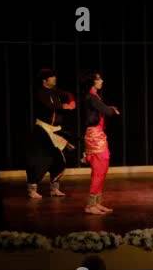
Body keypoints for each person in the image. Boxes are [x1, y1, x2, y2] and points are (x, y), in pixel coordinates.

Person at [25, 68, 76, 199]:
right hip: (42, 130)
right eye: (52, 77)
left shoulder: (55, 92)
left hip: (54, 130)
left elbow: (68, 94)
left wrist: (71, 101)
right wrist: (64, 106)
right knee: (41, 160)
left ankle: (54, 188)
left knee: (60, 160)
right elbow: (48, 106)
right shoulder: (41, 93)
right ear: (45, 80)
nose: (55, 79)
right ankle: (32, 189)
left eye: (54, 76)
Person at [81, 71, 120, 215]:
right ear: (92, 82)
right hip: (94, 135)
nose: (101, 81)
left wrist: (110, 109)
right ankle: (90, 205)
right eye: (98, 79)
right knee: (99, 168)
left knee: (102, 169)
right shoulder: (91, 97)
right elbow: (106, 111)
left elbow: (104, 109)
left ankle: (97, 202)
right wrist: (112, 110)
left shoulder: (95, 96)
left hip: (99, 134)